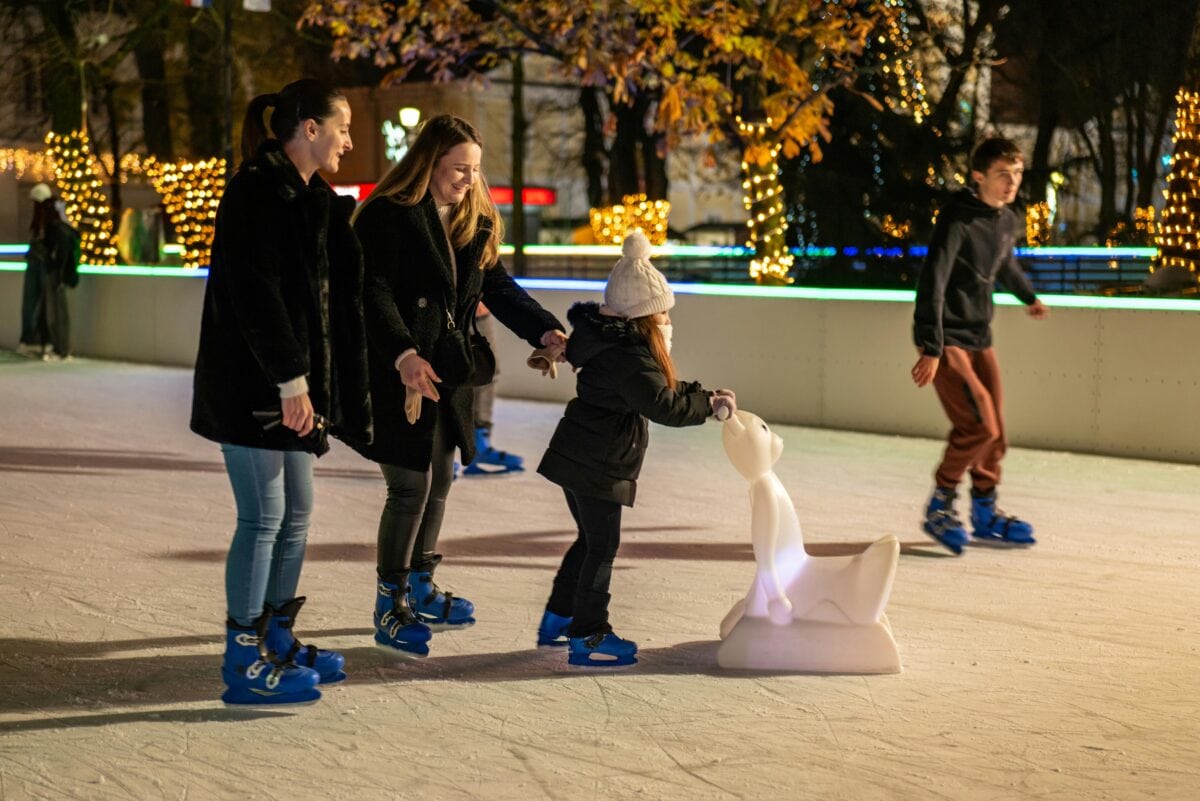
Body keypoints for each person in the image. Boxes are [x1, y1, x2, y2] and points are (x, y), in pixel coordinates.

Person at [351, 114, 567, 658]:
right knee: (409, 485)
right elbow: (370, 291)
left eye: (474, 169)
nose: (467, 179)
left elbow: (497, 284)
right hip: (395, 369)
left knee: (441, 476)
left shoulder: (476, 218)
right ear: (428, 163)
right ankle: (390, 601)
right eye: (457, 169)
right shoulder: (387, 214)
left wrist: (543, 327)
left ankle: (420, 585)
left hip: (449, 371)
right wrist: (403, 353)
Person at [190, 78, 371, 705]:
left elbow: (334, 295)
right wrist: (291, 381)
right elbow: (254, 293)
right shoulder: (255, 190)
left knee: (295, 516)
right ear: (311, 128)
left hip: (296, 389)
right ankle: (242, 660)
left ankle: (277, 636)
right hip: (254, 386)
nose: (351, 139)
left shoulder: (312, 198)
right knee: (264, 517)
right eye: (342, 127)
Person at [536, 231, 736, 667]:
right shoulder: (628, 357)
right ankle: (587, 635)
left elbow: (660, 387)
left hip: (581, 456)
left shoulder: (619, 348)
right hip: (598, 464)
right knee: (601, 548)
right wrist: (708, 408)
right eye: (663, 312)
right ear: (644, 316)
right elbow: (661, 403)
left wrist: (705, 394)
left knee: (590, 542)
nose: (668, 319)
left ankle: (560, 617)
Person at [911, 137, 1048, 555]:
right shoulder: (957, 220)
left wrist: (1029, 297)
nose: (1011, 183)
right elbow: (932, 282)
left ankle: (985, 512)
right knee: (979, 426)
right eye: (1003, 174)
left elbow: (1004, 263)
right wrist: (931, 348)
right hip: (948, 339)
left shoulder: (1007, 220)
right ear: (978, 176)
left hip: (979, 337)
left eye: (1017, 174)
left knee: (997, 433)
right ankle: (941, 504)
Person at [463, 300, 526, 475]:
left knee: (487, 373)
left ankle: (478, 443)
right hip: (449, 308)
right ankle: (440, 452)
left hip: (478, 308)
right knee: (448, 373)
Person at [21, 183, 79, 360]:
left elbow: (61, 248)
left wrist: (58, 269)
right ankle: (43, 343)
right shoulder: (49, 223)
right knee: (46, 309)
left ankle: (58, 347)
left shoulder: (55, 225)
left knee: (54, 311)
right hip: (49, 268)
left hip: (53, 270)